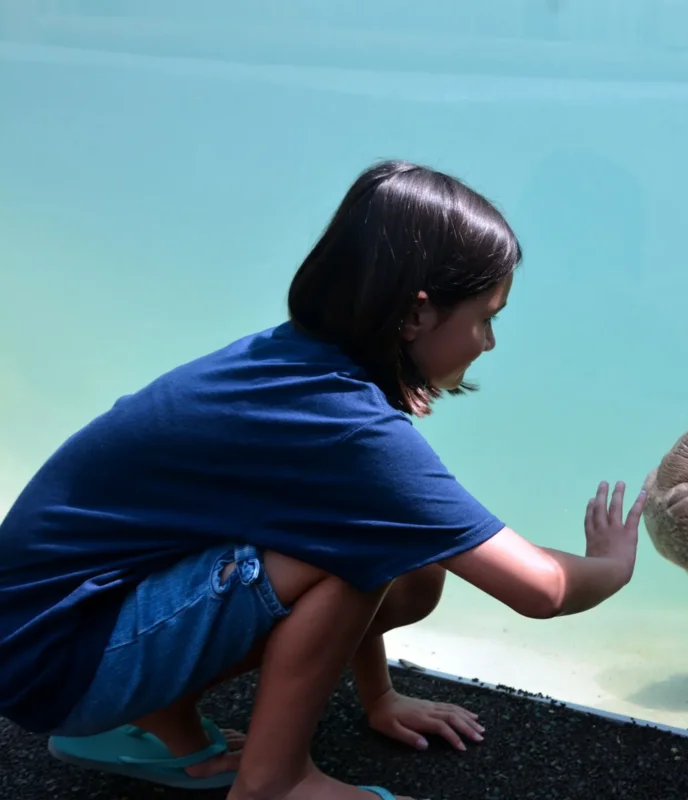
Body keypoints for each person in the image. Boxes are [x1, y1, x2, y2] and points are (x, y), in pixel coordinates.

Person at [0, 160, 647, 800]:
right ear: (417, 315)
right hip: (54, 664)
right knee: (353, 554)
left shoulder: (294, 364)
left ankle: (155, 715)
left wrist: (379, 697)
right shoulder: (347, 430)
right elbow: (538, 588)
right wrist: (612, 565)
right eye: (487, 318)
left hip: (49, 635)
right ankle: (273, 782)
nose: (488, 342)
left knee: (410, 564)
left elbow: (355, 522)